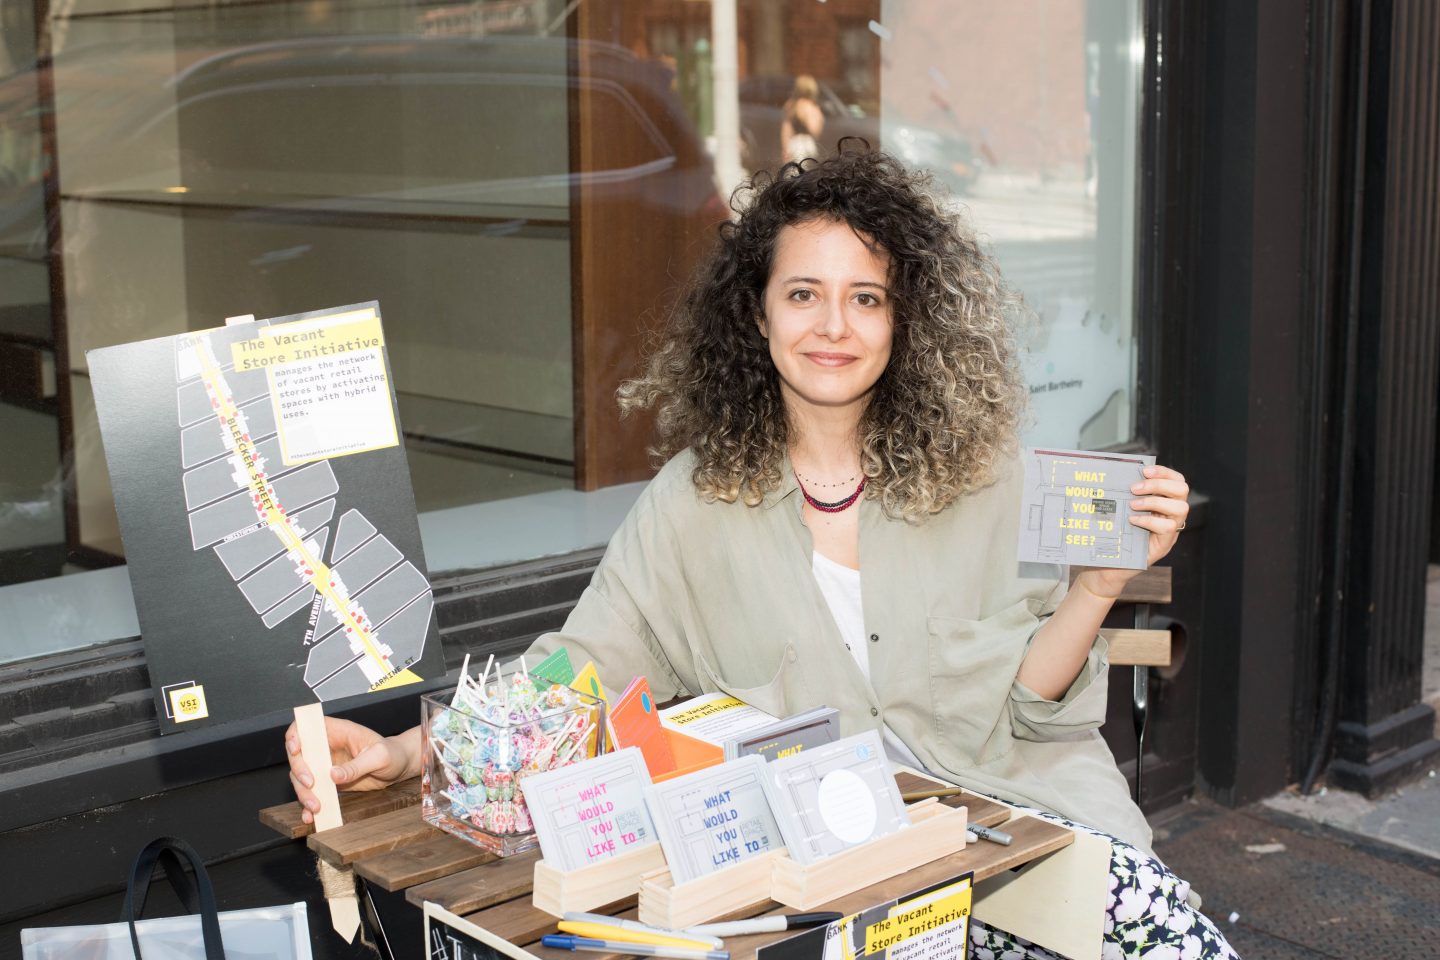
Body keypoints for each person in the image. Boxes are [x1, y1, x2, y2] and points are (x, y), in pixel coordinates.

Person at [286, 148, 1238, 959]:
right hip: (848, 881)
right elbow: (574, 674)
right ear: (756, 313)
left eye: (866, 298)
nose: (834, 326)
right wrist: (412, 750)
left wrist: (1099, 586)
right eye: (804, 294)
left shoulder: (990, 473)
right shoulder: (695, 508)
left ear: (903, 324)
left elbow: (1037, 708)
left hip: (1029, 832)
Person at [781, 74, 825, 162]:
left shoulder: (792, 105)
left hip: (795, 144)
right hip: (808, 144)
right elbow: (815, 130)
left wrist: (785, 148)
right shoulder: (812, 106)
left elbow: (786, 130)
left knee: (794, 173)